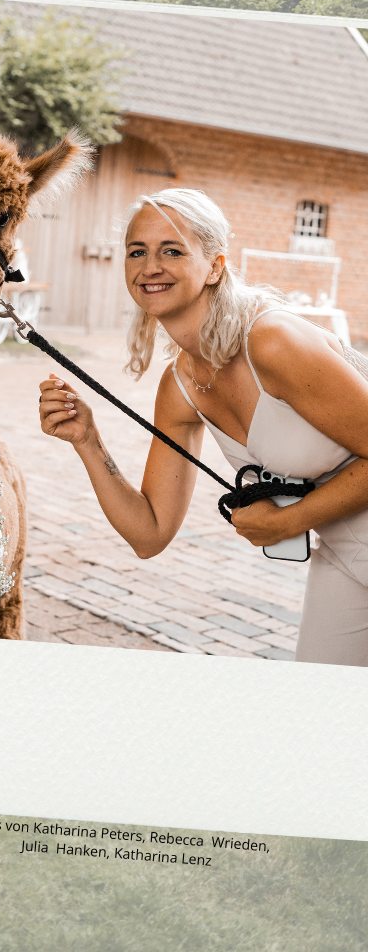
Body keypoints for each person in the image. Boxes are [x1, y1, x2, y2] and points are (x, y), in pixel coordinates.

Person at [38, 188, 368, 667]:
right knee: (315, 711)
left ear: (215, 266)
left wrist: (290, 521)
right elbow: (149, 533)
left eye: (171, 250)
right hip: (343, 556)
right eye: (137, 252)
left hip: (328, 537)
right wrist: (87, 441)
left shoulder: (272, 342)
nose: (150, 266)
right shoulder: (181, 387)